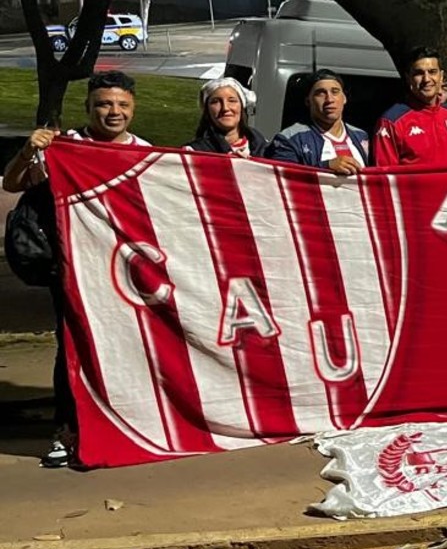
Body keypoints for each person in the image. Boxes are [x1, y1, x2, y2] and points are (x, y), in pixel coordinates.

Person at [3, 70, 150, 468]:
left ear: (132, 109)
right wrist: (26, 150)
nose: (113, 112)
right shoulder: (65, 149)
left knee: (129, 348)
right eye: (104, 104)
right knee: (73, 348)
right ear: (88, 108)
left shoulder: (146, 153)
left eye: (121, 104)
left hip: (125, 271)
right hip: (71, 270)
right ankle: (67, 430)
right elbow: (13, 185)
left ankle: (126, 426)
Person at [264, 70, 371, 173]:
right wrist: (326, 167)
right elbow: (282, 180)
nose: (329, 99)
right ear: (308, 101)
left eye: (335, 92)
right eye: (320, 93)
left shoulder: (361, 136)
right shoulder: (289, 138)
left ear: (344, 98)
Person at [373, 47, 447, 166]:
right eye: (419, 73)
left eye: (432, 72)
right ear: (408, 78)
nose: (426, 79)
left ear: (441, 76)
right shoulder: (390, 122)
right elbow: (385, 178)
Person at [186, 77, 266, 157]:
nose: (225, 108)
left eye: (232, 101)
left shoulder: (264, 148)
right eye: (215, 102)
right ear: (207, 111)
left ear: (242, 107)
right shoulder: (192, 152)